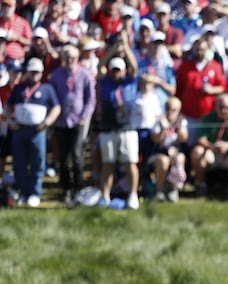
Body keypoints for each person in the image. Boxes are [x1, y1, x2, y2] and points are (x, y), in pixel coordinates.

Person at [6, 57, 61, 207]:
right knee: (20, 162)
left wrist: (47, 123)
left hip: (38, 131)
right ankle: (24, 192)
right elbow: (7, 104)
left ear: (41, 73)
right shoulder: (19, 88)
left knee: (37, 162)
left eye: (37, 72)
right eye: (32, 72)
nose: (34, 75)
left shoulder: (46, 89)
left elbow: (56, 107)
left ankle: (35, 193)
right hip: (20, 129)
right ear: (27, 72)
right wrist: (10, 121)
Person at [50, 44, 96, 205]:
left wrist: (84, 116)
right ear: (63, 58)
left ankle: (78, 188)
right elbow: (52, 97)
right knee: (63, 157)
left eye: (73, 57)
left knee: (77, 156)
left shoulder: (85, 74)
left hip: (78, 121)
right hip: (61, 121)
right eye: (67, 57)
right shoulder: (55, 75)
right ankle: (66, 189)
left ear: (78, 58)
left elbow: (90, 99)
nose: (70, 60)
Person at [95, 50, 139, 209]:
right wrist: (113, 49)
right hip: (108, 128)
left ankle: (133, 195)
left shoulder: (130, 82)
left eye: (118, 70)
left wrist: (126, 47)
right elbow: (100, 66)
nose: (115, 73)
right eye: (113, 70)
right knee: (108, 164)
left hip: (127, 128)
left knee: (130, 163)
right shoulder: (105, 83)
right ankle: (105, 196)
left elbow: (134, 66)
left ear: (123, 71)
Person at [148, 96, 188, 202]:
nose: (170, 112)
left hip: (175, 152)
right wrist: (163, 128)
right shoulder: (159, 121)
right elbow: (156, 140)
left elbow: (183, 139)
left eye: (173, 110)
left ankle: (173, 190)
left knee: (180, 158)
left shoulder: (181, 121)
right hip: (159, 152)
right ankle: (160, 191)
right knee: (163, 161)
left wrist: (179, 128)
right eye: (168, 109)